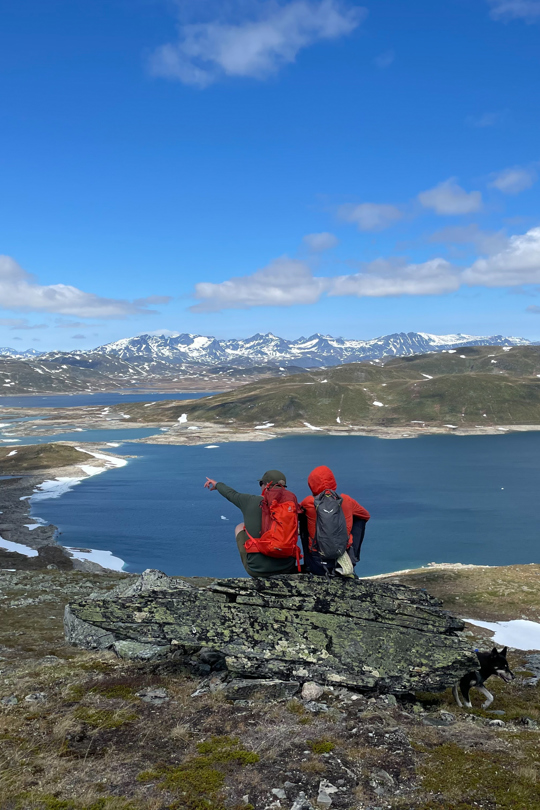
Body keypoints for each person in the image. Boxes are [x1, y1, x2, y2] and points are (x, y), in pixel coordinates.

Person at [204, 469, 300, 577]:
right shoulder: (291, 505)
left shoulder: (249, 501)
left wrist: (217, 484)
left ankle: (254, 561)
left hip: (257, 569)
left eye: (261, 483)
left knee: (240, 527)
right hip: (287, 567)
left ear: (265, 485)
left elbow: (231, 494)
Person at [299, 465, 370, 577]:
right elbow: (365, 516)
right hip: (342, 562)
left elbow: (296, 513)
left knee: (303, 520)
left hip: (318, 565)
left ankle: (307, 564)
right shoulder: (346, 500)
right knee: (360, 518)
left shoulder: (308, 502)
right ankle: (353, 556)